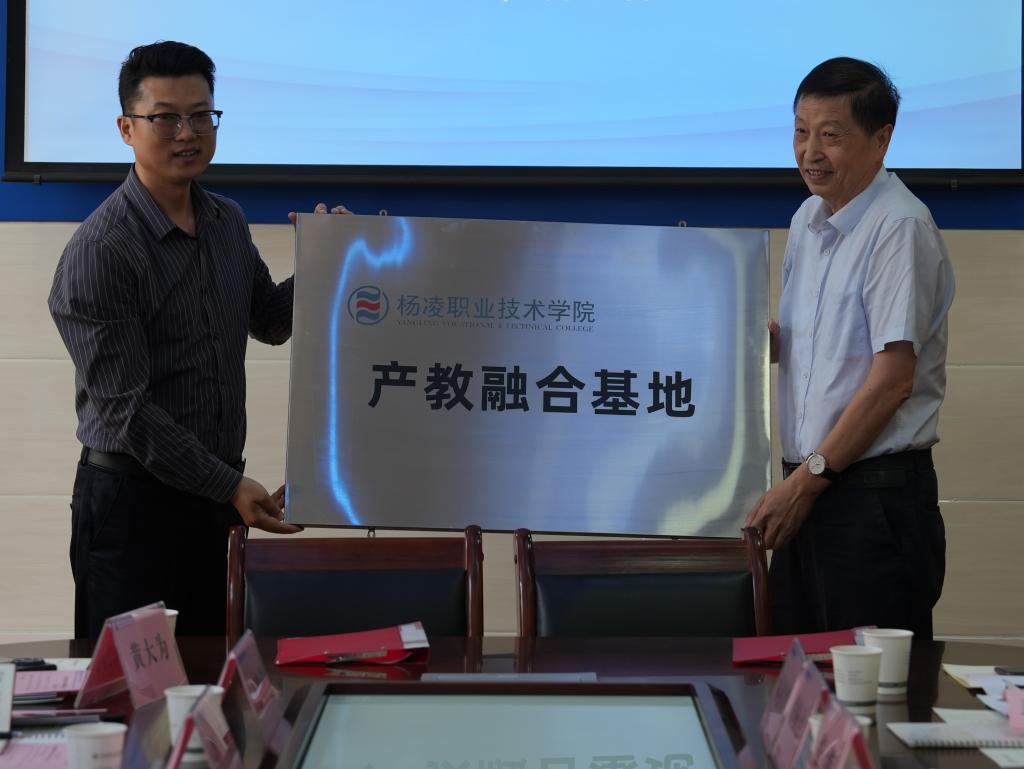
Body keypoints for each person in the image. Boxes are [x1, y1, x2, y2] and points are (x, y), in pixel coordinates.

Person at [48, 41, 346, 639]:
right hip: (133, 508)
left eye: (201, 115)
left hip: (215, 500)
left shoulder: (225, 221)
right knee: (135, 684)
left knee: (213, 675)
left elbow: (269, 320)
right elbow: (128, 413)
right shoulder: (102, 251)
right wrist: (228, 485)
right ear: (127, 129)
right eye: (165, 118)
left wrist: (325, 258)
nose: (187, 133)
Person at [744, 57, 955, 640]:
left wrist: (807, 480)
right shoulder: (808, 219)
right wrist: (752, 345)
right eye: (800, 131)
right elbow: (822, 351)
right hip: (809, 490)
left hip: (871, 500)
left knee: (871, 686)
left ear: (881, 139)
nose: (810, 151)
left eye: (830, 135)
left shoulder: (899, 227)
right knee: (795, 676)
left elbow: (893, 381)